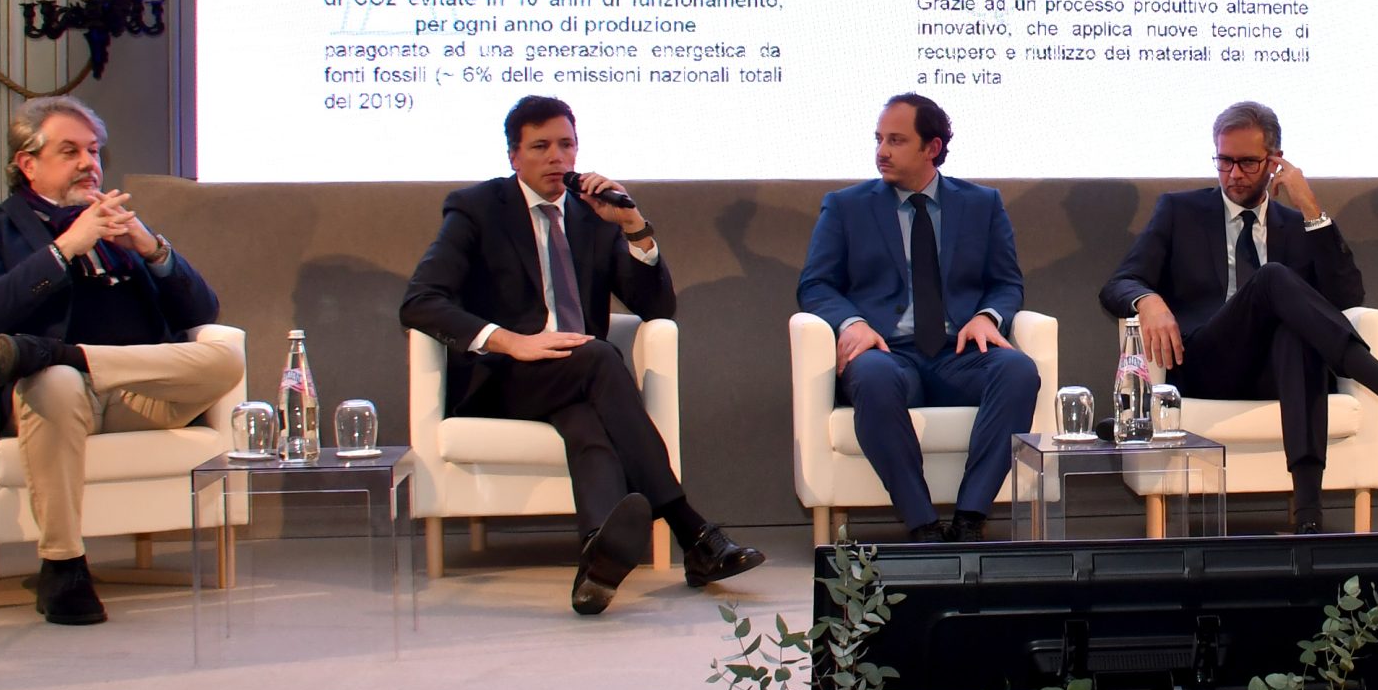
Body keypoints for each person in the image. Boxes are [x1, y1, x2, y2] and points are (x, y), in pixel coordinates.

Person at [400, 94, 760, 614]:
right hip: (504, 377)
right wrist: (512, 341)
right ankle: (692, 530)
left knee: (589, 420)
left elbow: (657, 308)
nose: (557, 157)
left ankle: (596, 562)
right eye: (540, 146)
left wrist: (633, 226)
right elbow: (419, 301)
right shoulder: (477, 208)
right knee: (600, 357)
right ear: (513, 155)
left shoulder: (593, 216)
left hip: (577, 378)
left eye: (566, 145)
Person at [0, 96, 247, 626]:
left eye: (93, 150)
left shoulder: (120, 229)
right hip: (57, 401)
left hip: (138, 396)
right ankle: (63, 567)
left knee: (224, 358)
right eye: (71, 152)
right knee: (56, 381)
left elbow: (202, 311)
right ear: (28, 163)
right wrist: (63, 249)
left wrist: (151, 248)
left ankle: (68, 356)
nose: (89, 163)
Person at [1101, 100, 1378, 534]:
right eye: (1224, 161)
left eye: (1248, 163)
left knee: (1296, 337)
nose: (1234, 174)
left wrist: (1310, 206)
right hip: (1208, 363)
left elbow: (1346, 297)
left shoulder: (1298, 224)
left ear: (1275, 161)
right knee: (1273, 277)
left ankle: (1308, 519)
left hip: (1273, 371)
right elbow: (1118, 284)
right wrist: (1148, 300)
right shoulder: (1180, 212)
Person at [797, 93, 1039, 541]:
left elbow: (1007, 282)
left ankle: (970, 518)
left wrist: (988, 316)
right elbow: (816, 284)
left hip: (958, 352)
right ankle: (922, 524)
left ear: (932, 147)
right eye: (878, 139)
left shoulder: (982, 204)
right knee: (873, 377)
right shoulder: (846, 206)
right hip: (887, 351)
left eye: (896, 140)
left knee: (1018, 370)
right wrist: (853, 323)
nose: (882, 151)